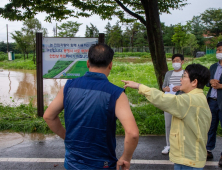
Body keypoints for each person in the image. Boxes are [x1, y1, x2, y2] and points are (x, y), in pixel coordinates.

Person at [43, 43, 139, 170]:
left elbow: (48, 116)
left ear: (88, 63)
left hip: (73, 162)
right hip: (102, 164)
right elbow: (132, 133)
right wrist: (126, 158)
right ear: (110, 64)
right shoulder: (116, 94)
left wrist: (67, 137)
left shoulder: (68, 87)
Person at [122, 63, 211, 170]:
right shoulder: (199, 98)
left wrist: (139, 86)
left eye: (184, 76)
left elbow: (162, 99)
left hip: (188, 161)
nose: (181, 80)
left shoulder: (190, 100)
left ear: (194, 82)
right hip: (189, 157)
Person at [162, 54, 184, 154]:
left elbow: (190, 88)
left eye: (177, 61)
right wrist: (165, 88)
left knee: (181, 124)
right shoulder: (168, 73)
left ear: (182, 62)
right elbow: (163, 86)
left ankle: (180, 145)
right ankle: (168, 145)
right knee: (168, 124)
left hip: (181, 102)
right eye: (173, 61)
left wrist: (180, 88)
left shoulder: (186, 74)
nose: (175, 63)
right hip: (169, 101)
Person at [206, 41, 222, 166]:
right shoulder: (213, 67)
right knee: (210, 127)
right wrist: (210, 81)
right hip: (212, 101)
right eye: (217, 50)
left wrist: (220, 85)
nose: (218, 52)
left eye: (220, 50)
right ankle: (208, 150)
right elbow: (207, 82)